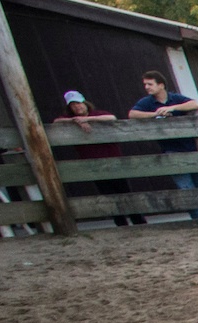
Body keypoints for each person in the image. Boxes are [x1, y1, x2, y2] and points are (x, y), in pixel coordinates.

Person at [53, 90, 146, 226]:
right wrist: (75, 121)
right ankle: (120, 222)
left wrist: (87, 119)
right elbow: (56, 122)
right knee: (107, 194)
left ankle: (137, 220)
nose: (77, 107)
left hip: (112, 159)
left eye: (79, 103)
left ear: (85, 103)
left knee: (124, 191)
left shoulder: (98, 114)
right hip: (92, 162)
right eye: (73, 105)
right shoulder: (70, 120)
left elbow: (111, 118)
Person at [127, 70, 198, 217]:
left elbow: (195, 104)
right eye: (145, 84)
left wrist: (172, 108)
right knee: (186, 187)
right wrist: (156, 114)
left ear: (161, 85)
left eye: (150, 84)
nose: (147, 87)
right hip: (172, 150)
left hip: (191, 148)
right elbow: (132, 114)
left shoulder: (175, 98)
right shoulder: (147, 102)